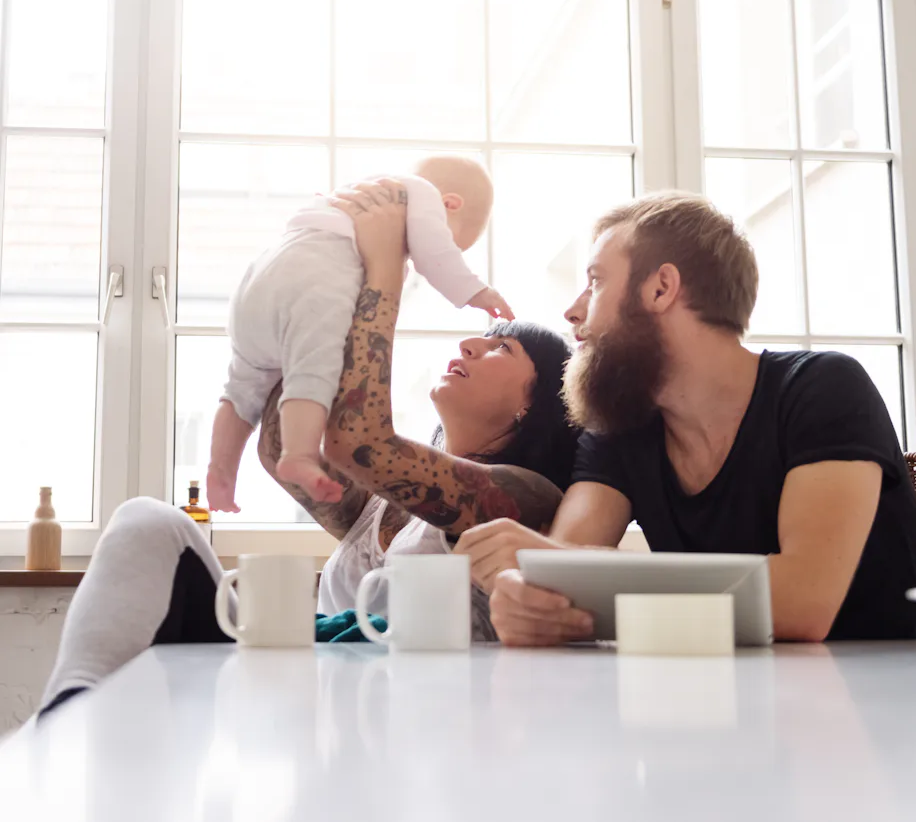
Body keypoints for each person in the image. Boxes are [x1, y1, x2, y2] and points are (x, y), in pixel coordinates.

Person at [37, 180, 576, 717]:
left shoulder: (526, 498)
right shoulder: (383, 507)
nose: (470, 342)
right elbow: (279, 453)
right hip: (311, 697)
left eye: (502, 346)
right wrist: (316, 285)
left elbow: (358, 443)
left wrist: (385, 267)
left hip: (416, 723)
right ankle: (69, 713)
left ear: (536, 403)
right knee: (146, 521)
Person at [456, 191, 916, 646]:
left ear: (661, 288)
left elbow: (803, 603)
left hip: (875, 705)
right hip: (713, 697)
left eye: (596, 281)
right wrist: (528, 601)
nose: (573, 311)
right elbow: (559, 577)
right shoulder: (621, 427)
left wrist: (568, 572)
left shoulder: (825, 387)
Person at [207, 155, 514, 511]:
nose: (416, 260)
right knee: (316, 367)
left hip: (256, 285)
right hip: (310, 283)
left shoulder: (362, 191)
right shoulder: (420, 195)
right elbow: (438, 257)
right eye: (457, 241)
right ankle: (300, 454)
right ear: (450, 204)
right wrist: (476, 292)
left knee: (242, 387)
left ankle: (221, 470)